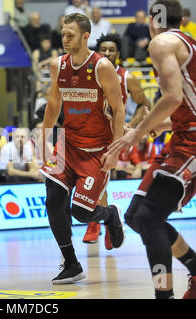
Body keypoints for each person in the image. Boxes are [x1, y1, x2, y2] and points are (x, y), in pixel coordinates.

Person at [104, 0, 196, 299]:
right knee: (135, 216)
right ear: (181, 20)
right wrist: (160, 125)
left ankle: (165, 295)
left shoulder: (161, 42)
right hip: (187, 136)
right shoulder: (192, 45)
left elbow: (171, 97)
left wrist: (137, 133)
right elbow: (189, 104)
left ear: (152, 20)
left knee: (148, 217)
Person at [38, 13, 126, 284]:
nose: (64, 39)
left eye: (70, 35)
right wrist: (43, 136)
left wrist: (116, 149)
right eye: (63, 34)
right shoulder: (58, 65)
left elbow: (119, 109)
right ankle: (72, 263)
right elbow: (54, 104)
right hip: (68, 145)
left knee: (81, 212)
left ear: (85, 36)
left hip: (97, 149)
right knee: (52, 200)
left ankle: (110, 214)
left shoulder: (101, 67)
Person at [83, 33, 151, 244]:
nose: (107, 53)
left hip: (112, 135)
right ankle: (110, 220)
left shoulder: (127, 77)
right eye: (103, 49)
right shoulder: (89, 75)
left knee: (98, 175)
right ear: (97, 52)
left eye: (111, 50)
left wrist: (131, 125)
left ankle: (96, 223)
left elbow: (143, 104)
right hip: (89, 131)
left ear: (118, 54)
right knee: (96, 178)